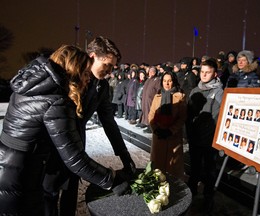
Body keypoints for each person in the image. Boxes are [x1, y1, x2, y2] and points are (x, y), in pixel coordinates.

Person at [0, 45, 127, 215]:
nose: (87, 79)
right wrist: (111, 179)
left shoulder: (34, 86)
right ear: (74, 71)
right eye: (84, 73)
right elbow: (74, 158)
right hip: (24, 174)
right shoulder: (56, 101)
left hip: (9, 164)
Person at [43, 37, 136, 216]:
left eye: (112, 67)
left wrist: (124, 154)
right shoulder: (68, 76)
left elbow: (109, 122)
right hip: (54, 144)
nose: (109, 71)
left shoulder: (102, 86)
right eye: (107, 65)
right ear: (92, 57)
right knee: (50, 194)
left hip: (77, 143)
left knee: (71, 190)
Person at [186, 58, 223, 214]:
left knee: (209, 171)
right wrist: (189, 132)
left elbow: (219, 117)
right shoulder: (195, 90)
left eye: (208, 72)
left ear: (215, 73)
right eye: (202, 72)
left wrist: (212, 137)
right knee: (194, 168)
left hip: (209, 140)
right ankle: (191, 193)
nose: (204, 75)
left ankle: (208, 198)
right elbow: (188, 115)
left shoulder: (219, 92)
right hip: (195, 139)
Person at [148, 71, 187, 179]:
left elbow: (182, 117)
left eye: (169, 81)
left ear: (173, 81)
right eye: (165, 81)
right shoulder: (157, 96)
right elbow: (151, 114)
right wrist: (155, 129)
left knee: (172, 167)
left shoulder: (180, 96)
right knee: (157, 164)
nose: (167, 83)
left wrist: (171, 130)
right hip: (158, 136)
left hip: (172, 137)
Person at [140, 66, 161, 133]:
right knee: (146, 112)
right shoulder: (148, 79)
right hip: (145, 99)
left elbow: (158, 90)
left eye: (152, 71)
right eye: (150, 71)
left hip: (151, 100)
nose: (151, 73)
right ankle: (147, 124)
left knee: (151, 113)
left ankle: (151, 127)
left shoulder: (157, 80)